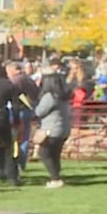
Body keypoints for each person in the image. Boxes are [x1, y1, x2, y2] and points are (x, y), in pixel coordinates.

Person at [34, 59, 72, 188]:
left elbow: (40, 111)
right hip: (63, 128)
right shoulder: (63, 96)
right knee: (55, 154)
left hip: (52, 128)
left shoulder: (50, 96)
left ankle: (55, 178)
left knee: (44, 154)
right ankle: (56, 176)